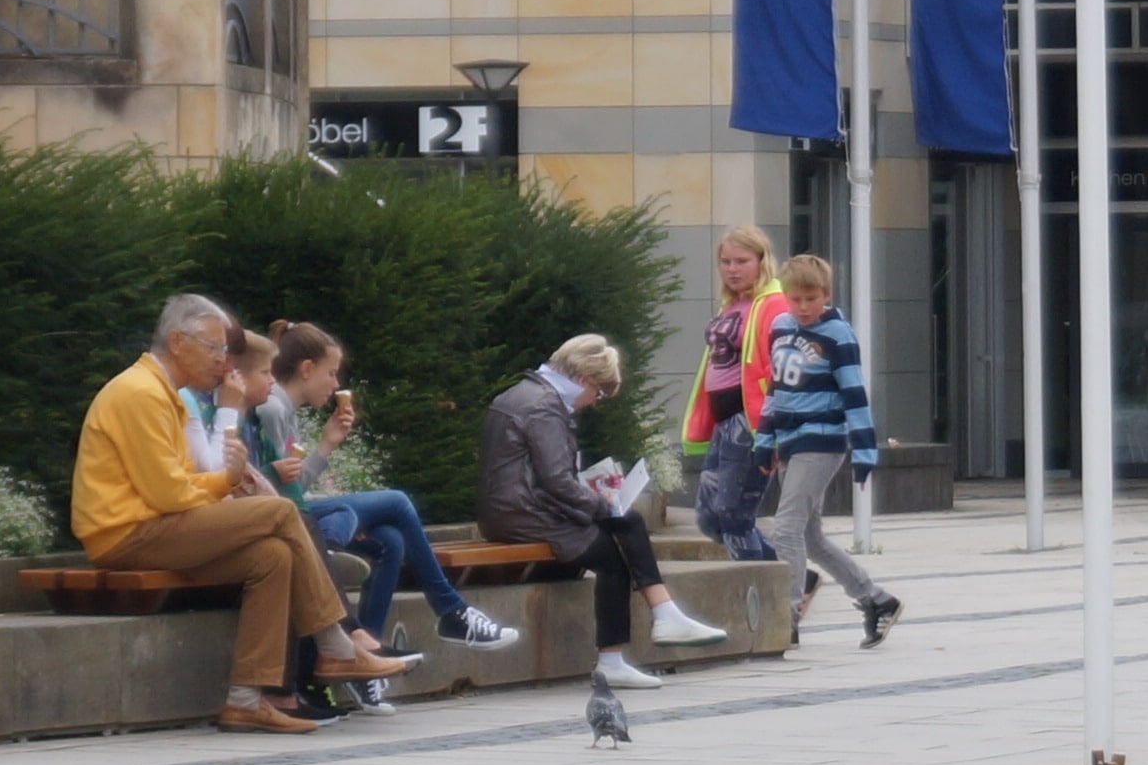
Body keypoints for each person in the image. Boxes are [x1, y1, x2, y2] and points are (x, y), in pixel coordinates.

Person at [70, 295, 419, 735]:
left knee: (272, 556)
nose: (223, 359)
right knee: (278, 511)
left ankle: (246, 699)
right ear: (178, 342)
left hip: (151, 525)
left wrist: (226, 483)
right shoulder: (139, 393)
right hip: (128, 534)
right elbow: (169, 493)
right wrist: (227, 481)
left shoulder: (163, 392)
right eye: (214, 348)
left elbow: (174, 487)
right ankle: (336, 643)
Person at [249, 322, 513, 702]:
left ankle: (364, 656)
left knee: (390, 540)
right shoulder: (274, 408)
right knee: (397, 502)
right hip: (285, 518)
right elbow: (285, 495)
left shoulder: (283, 410)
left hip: (292, 513)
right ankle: (451, 611)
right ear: (306, 369)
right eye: (331, 372)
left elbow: (293, 487)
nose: (335, 382)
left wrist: (326, 444)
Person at [484, 333, 728, 690]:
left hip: (512, 510)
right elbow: (555, 481)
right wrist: (602, 504)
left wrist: (597, 498)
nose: (596, 402)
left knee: (624, 524)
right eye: (599, 393)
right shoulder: (543, 407)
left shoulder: (528, 394)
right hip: (524, 515)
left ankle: (663, 616)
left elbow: (542, 476)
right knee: (617, 550)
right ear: (584, 379)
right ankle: (631, 642)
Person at [752, 255, 902, 646]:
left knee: (785, 527)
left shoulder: (838, 334)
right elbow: (776, 389)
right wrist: (764, 439)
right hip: (788, 438)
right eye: (795, 298)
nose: (802, 307)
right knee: (809, 535)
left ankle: (785, 616)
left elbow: (855, 393)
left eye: (810, 299)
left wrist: (865, 451)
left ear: (826, 296)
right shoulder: (781, 327)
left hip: (821, 439)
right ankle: (875, 599)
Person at [681, 225, 781, 563]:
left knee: (733, 515)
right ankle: (789, 575)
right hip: (723, 422)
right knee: (710, 518)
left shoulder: (774, 304)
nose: (732, 269)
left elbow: (778, 368)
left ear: (761, 261)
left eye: (742, 261)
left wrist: (774, 429)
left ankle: (770, 593)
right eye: (726, 262)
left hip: (750, 422)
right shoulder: (732, 305)